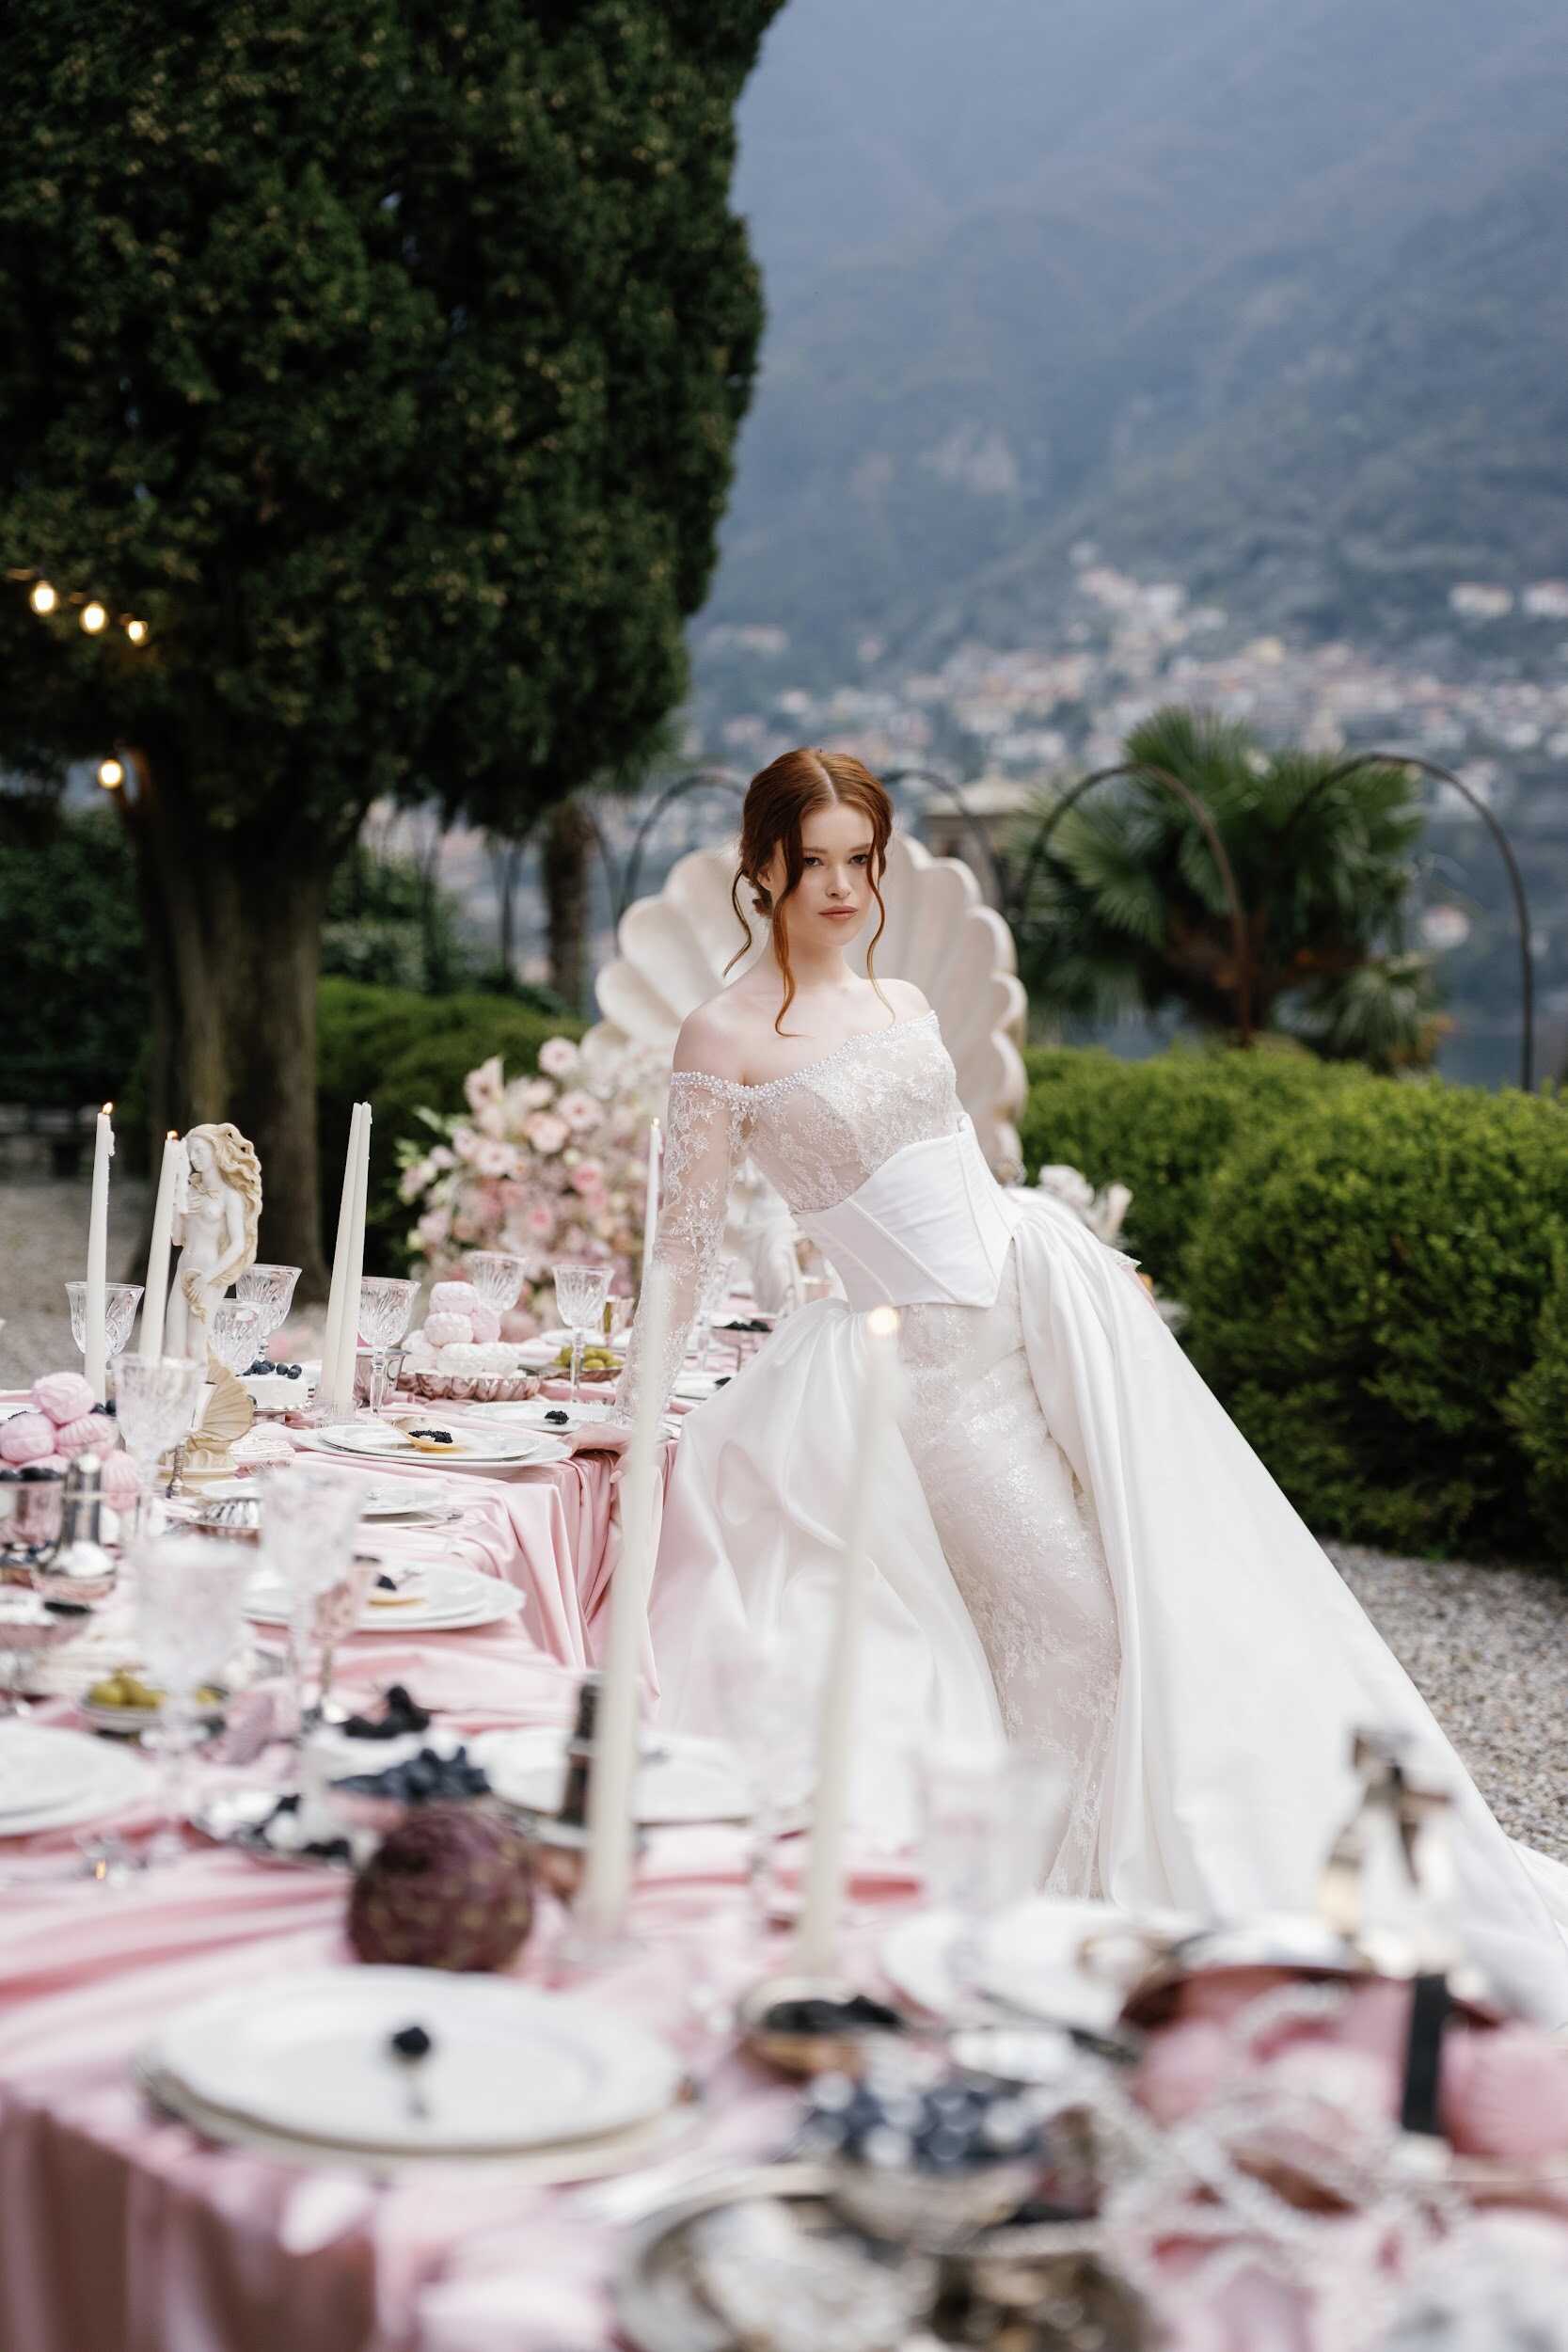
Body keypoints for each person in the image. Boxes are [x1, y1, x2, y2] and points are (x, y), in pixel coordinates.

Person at [612, 747, 1568, 2019]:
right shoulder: (722, 1034)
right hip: (925, 1376)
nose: (843, 888)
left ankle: (1105, 1866)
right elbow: (680, 1249)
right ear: (764, 867)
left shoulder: (902, 1000)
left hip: (1040, 1310)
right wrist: (638, 1411)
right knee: (1076, 1623)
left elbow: (956, 1169)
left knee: (1159, 1573)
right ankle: (1036, 1905)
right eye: (816, 862)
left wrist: (1074, 1274)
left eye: (862, 861)